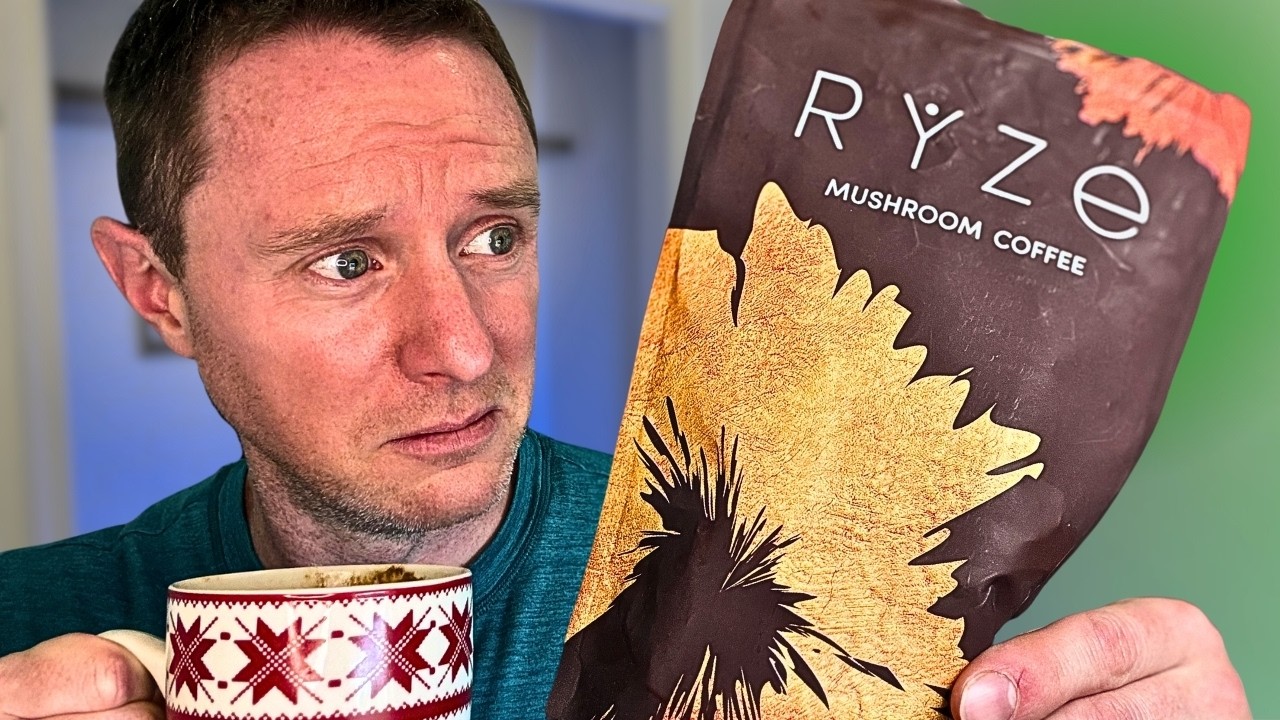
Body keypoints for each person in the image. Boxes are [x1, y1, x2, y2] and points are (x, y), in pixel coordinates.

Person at [0, 1, 1251, 719]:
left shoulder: (767, 585)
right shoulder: (26, 632)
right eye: (345, 261)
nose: (463, 346)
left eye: (493, 237)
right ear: (157, 291)